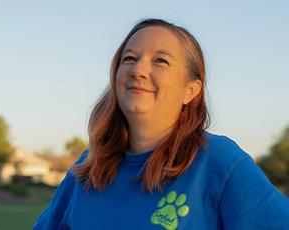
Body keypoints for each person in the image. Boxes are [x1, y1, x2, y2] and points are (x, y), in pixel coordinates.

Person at [33, 18, 289, 230]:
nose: (138, 70)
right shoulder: (88, 166)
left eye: (161, 61)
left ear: (191, 90)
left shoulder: (220, 162)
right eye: (129, 58)